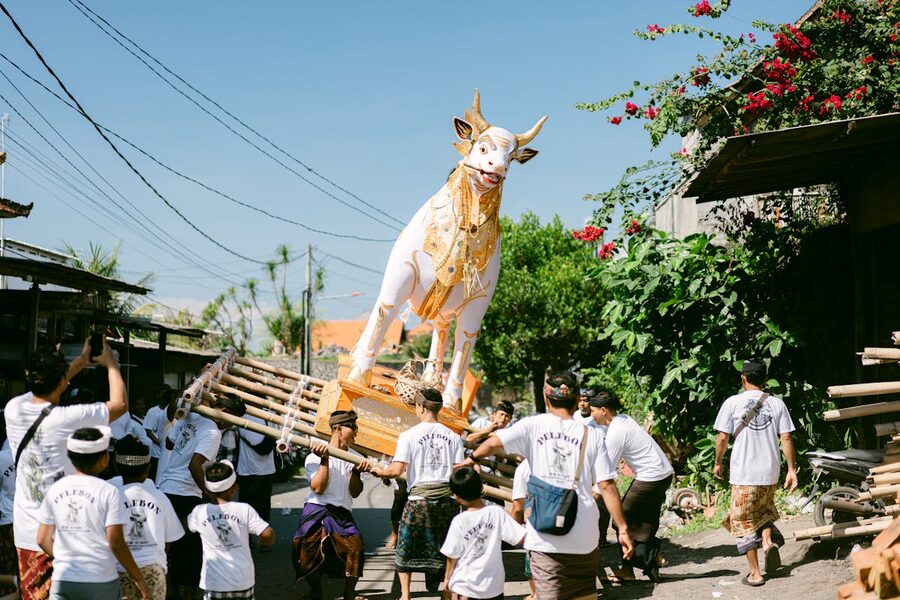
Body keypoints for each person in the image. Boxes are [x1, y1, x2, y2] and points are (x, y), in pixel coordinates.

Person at [463, 371, 634, 600]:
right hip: (584, 535)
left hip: (545, 537)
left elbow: (493, 443)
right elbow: (607, 485)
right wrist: (622, 529)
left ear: (546, 398)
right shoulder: (590, 435)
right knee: (583, 596)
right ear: (576, 402)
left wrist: (471, 459)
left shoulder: (533, 425)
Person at [6, 338, 128, 600]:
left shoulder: (13, 409)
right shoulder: (67, 418)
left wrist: (81, 361)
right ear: (62, 380)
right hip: (65, 534)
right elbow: (119, 405)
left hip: (28, 532)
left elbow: (48, 385)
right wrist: (111, 364)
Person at [36, 427, 150, 600]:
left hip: (63, 579)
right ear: (104, 459)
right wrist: (139, 578)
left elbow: (42, 539)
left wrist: (66, 558)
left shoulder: (55, 489)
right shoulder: (109, 492)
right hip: (100, 580)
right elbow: (117, 543)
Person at [371, 388, 463, 600]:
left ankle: (405, 594)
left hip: (418, 502)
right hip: (446, 503)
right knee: (447, 547)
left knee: (405, 548)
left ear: (420, 407)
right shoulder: (454, 437)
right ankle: (446, 592)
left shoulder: (408, 436)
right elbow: (458, 472)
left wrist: (378, 471)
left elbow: (396, 470)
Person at [713, 358, 797, 587]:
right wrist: (791, 470)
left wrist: (718, 462)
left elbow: (722, 437)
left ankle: (755, 573)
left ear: (743, 378)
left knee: (741, 522)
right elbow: (786, 437)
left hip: (744, 473)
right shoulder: (777, 403)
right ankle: (768, 542)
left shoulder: (732, 403)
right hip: (769, 472)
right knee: (763, 511)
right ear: (766, 380)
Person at [156, 393, 244, 600]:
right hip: (186, 494)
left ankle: (170, 591)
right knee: (191, 553)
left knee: (167, 546)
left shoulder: (192, 418)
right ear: (225, 414)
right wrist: (209, 494)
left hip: (166, 488)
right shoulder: (213, 432)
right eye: (232, 422)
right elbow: (194, 465)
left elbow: (169, 444)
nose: (230, 427)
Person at [590, 389, 674, 582]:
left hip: (652, 476)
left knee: (622, 518)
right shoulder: (623, 420)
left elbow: (606, 475)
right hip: (662, 473)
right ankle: (649, 559)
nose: (591, 414)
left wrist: (588, 500)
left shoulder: (616, 432)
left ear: (603, 410)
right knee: (645, 521)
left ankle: (639, 565)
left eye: (593, 410)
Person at [292, 411, 371, 600]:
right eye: (352, 427)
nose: (356, 432)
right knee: (304, 550)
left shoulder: (355, 457)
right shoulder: (315, 455)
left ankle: (349, 592)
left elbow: (355, 492)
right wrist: (325, 459)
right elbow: (318, 488)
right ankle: (315, 589)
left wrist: (357, 472)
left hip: (342, 512)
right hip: (317, 507)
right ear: (337, 428)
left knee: (356, 548)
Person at [187, 460, 275, 600]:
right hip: (242, 581)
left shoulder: (200, 512)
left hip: (214, 583)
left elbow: (188, 526)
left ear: (208, 490)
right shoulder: (244, 509)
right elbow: (267, 533)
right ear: (234, 488)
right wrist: (265, 542)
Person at [112, 435, 184, 600]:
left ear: (116, 467)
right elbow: (169, 540)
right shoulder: (160, 498)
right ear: (147, 469)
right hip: (153, 570)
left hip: (118, 569)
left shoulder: (111, 498)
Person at [440, 466, 525, 600]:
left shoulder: (459, 521)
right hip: (492, 587)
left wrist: (447, 578)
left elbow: (452, 555)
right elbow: (520, 537)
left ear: (457, 496)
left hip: (465, 587)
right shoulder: (496, 512)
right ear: (481, 488)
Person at [236, 412, 276, 526]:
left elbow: (251, 439)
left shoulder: (242, 416)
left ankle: (247, 538)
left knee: (246, 508)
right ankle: (264, 538)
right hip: (267, 469)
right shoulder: (270, 415)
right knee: (264, 507)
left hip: (247, 469)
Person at [509, 460, 535, 600]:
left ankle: (535, 595)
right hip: (572, 527)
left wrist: (516, 532)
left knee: (535, 569)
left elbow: (518, 508)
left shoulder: (525, 467)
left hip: (539, 531)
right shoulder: (571, 456)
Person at [0, 417, 16, 597]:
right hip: (30, 523)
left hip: (7, 522)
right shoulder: (37, 454)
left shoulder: (2, 457)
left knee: (9, 569)